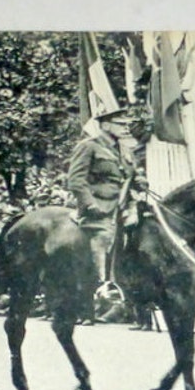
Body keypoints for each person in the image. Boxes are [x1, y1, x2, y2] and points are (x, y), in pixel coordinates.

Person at [67, 108, 149, 288]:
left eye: (127, 124)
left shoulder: (126, 150)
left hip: (125, 205)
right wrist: (90, 204)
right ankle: (101, 287)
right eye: (120, 124)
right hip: (100, 207)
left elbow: (132, 175)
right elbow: (76, 181)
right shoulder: (89, 146)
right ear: (105, 125)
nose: (126, 128)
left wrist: (140, 181)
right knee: (104, 237)